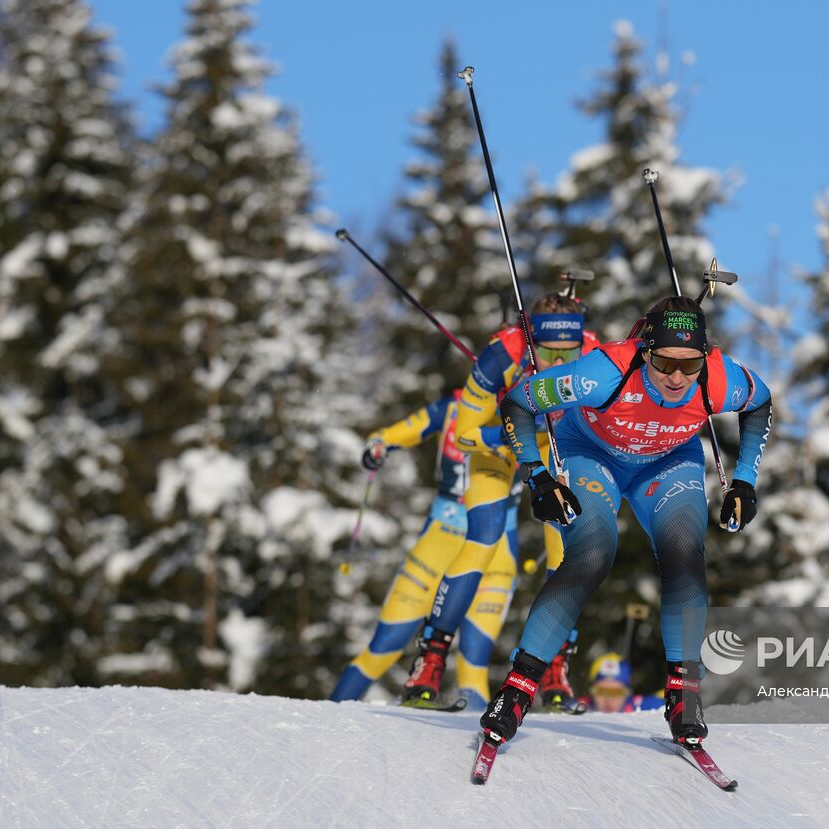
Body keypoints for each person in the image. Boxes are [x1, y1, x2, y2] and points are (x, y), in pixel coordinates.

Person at [479, 295, 773, 747]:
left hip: (668, 462)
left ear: (705, 357)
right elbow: (519, 402)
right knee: (593, 552)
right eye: (663, 363)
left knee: (684, 553)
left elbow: (761, 402)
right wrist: (537, 477)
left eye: (689, 365)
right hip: (592, 455)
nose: (677, 377)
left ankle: (683, 693)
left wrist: (746, 480)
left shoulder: (718, 377)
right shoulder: (604, 372)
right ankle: (519, 687)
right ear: (644, 350)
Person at [397, 294, 601, 709]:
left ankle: (555, 665)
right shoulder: (499, 359)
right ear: (530, 347)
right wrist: (510, 433)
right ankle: (432, 658)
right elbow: (463, 434)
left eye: (570, 353)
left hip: (552, 446)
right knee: (485, 536)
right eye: (548, 353)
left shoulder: (596, 355)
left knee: (568, 543)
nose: (561, 364)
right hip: (497, 446)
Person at [329, 390, 516, 706]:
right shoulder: (454, 409)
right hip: (438, 543)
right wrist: (378, 443)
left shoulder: (527, 412)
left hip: (496, 552)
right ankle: (323, 721)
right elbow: (399, 431)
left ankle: (478, 744)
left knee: (474, 659)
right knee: (384, 646)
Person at [581, 652, 663, 714]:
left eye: (616, 692)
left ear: (628, 693)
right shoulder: (578, 707)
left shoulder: (643, 707)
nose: (609, 699)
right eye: (601, 691)